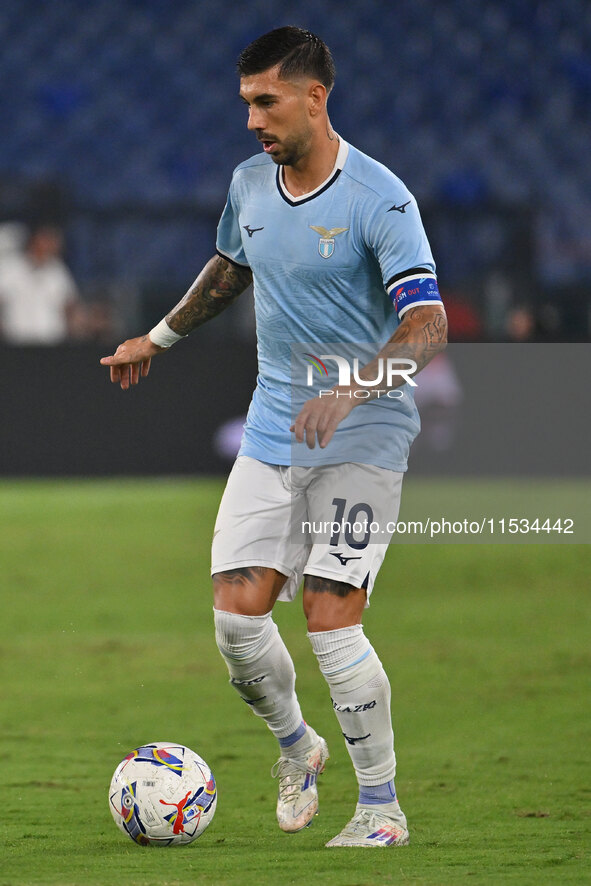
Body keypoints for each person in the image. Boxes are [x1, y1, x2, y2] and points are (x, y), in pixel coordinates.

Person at [101, 27, 447, 848]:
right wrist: (159, 338)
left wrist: (351, 390)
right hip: (272, 426)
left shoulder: (380, 197)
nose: (253, 118)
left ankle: (380, 809)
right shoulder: (250, 184)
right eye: (246, 102)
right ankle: (297, 747)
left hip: (364, 434)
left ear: (314, 97)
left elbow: (426, 325)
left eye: (267, 101)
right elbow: (230, 268)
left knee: (331, 616)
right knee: (235, 621)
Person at [0, 224, 86, 344]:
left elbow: (69, 304)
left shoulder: (57, 270)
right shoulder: (11, 268)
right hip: (16, 342)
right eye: (47, 240)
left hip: (51, 344)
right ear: (35, 241)